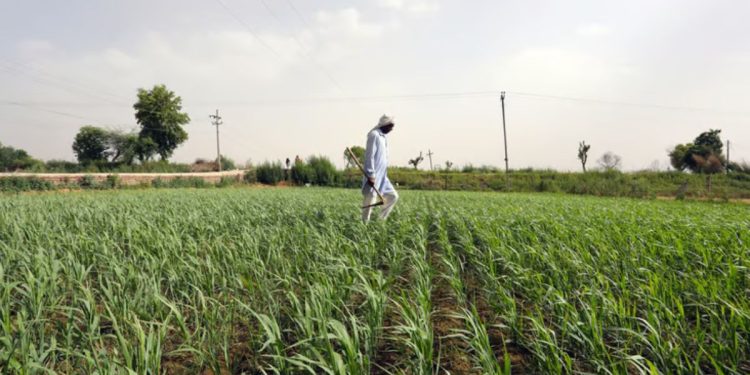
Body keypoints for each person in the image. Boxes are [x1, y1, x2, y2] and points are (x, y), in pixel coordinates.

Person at [362, 114, 398, 222]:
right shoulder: (374, 135)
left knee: (393, 196)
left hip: (382, 176)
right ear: (385, 124)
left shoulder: (383, 137)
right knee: (369, 205)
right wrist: (371, 175)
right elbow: (369, 156)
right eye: (391, 126)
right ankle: (364, 226)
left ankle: (380, 221)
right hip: (373, 176)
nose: (392, 129)